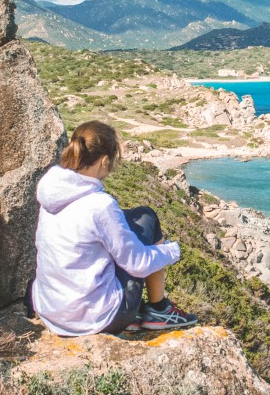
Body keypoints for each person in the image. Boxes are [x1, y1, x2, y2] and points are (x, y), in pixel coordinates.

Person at [29, 120, 197, 336]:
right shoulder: (100, 205)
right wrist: (173, 251)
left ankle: (152, 310)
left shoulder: (52, 190)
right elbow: (138, 264)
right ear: (105, 161)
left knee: (131, 220)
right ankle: (159, 309)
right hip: (96, 319)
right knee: (147, 217)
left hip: (52, 311)